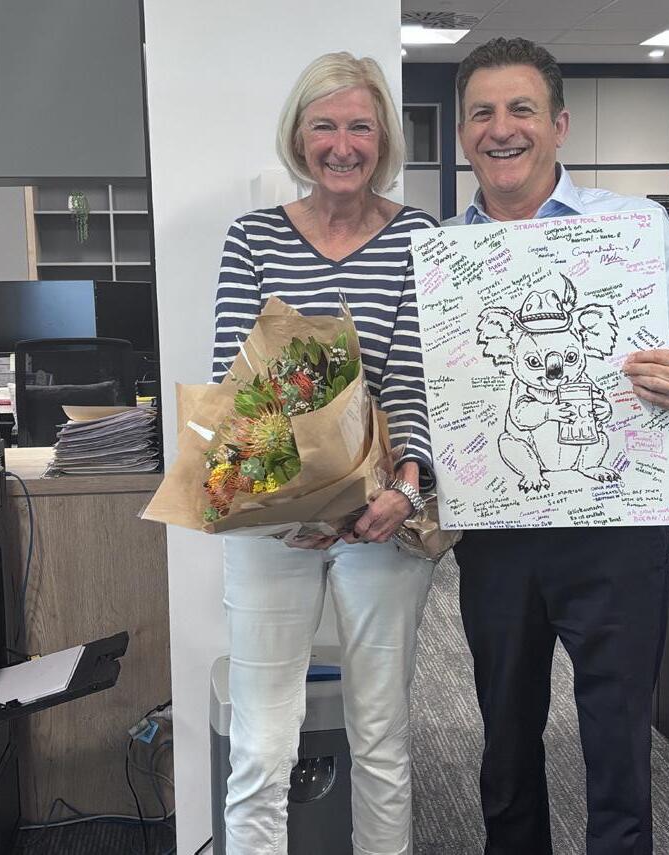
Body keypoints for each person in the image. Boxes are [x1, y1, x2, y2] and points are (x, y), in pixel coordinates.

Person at [444, 38, 669, 855]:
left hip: (617, 529)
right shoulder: (442, 256)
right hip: (498, 532)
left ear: (560, 124)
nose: (501, 128)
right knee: (505, 740)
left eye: (522, 109)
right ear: (463, 134)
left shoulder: (631, 228)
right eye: (482, 113)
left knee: (617, 740)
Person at [210, 51, 438, 855]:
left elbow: (415, 379)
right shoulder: (253, 238)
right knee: (262, 744)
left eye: (360, 127)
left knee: (381, 737)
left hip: (381, 517)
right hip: (273, 521)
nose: (343, 145)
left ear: (384, 139)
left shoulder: (416, 236)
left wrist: (407, 488)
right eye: (325, 126)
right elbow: (236, 380)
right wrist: (289, 502)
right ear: (298, 136)